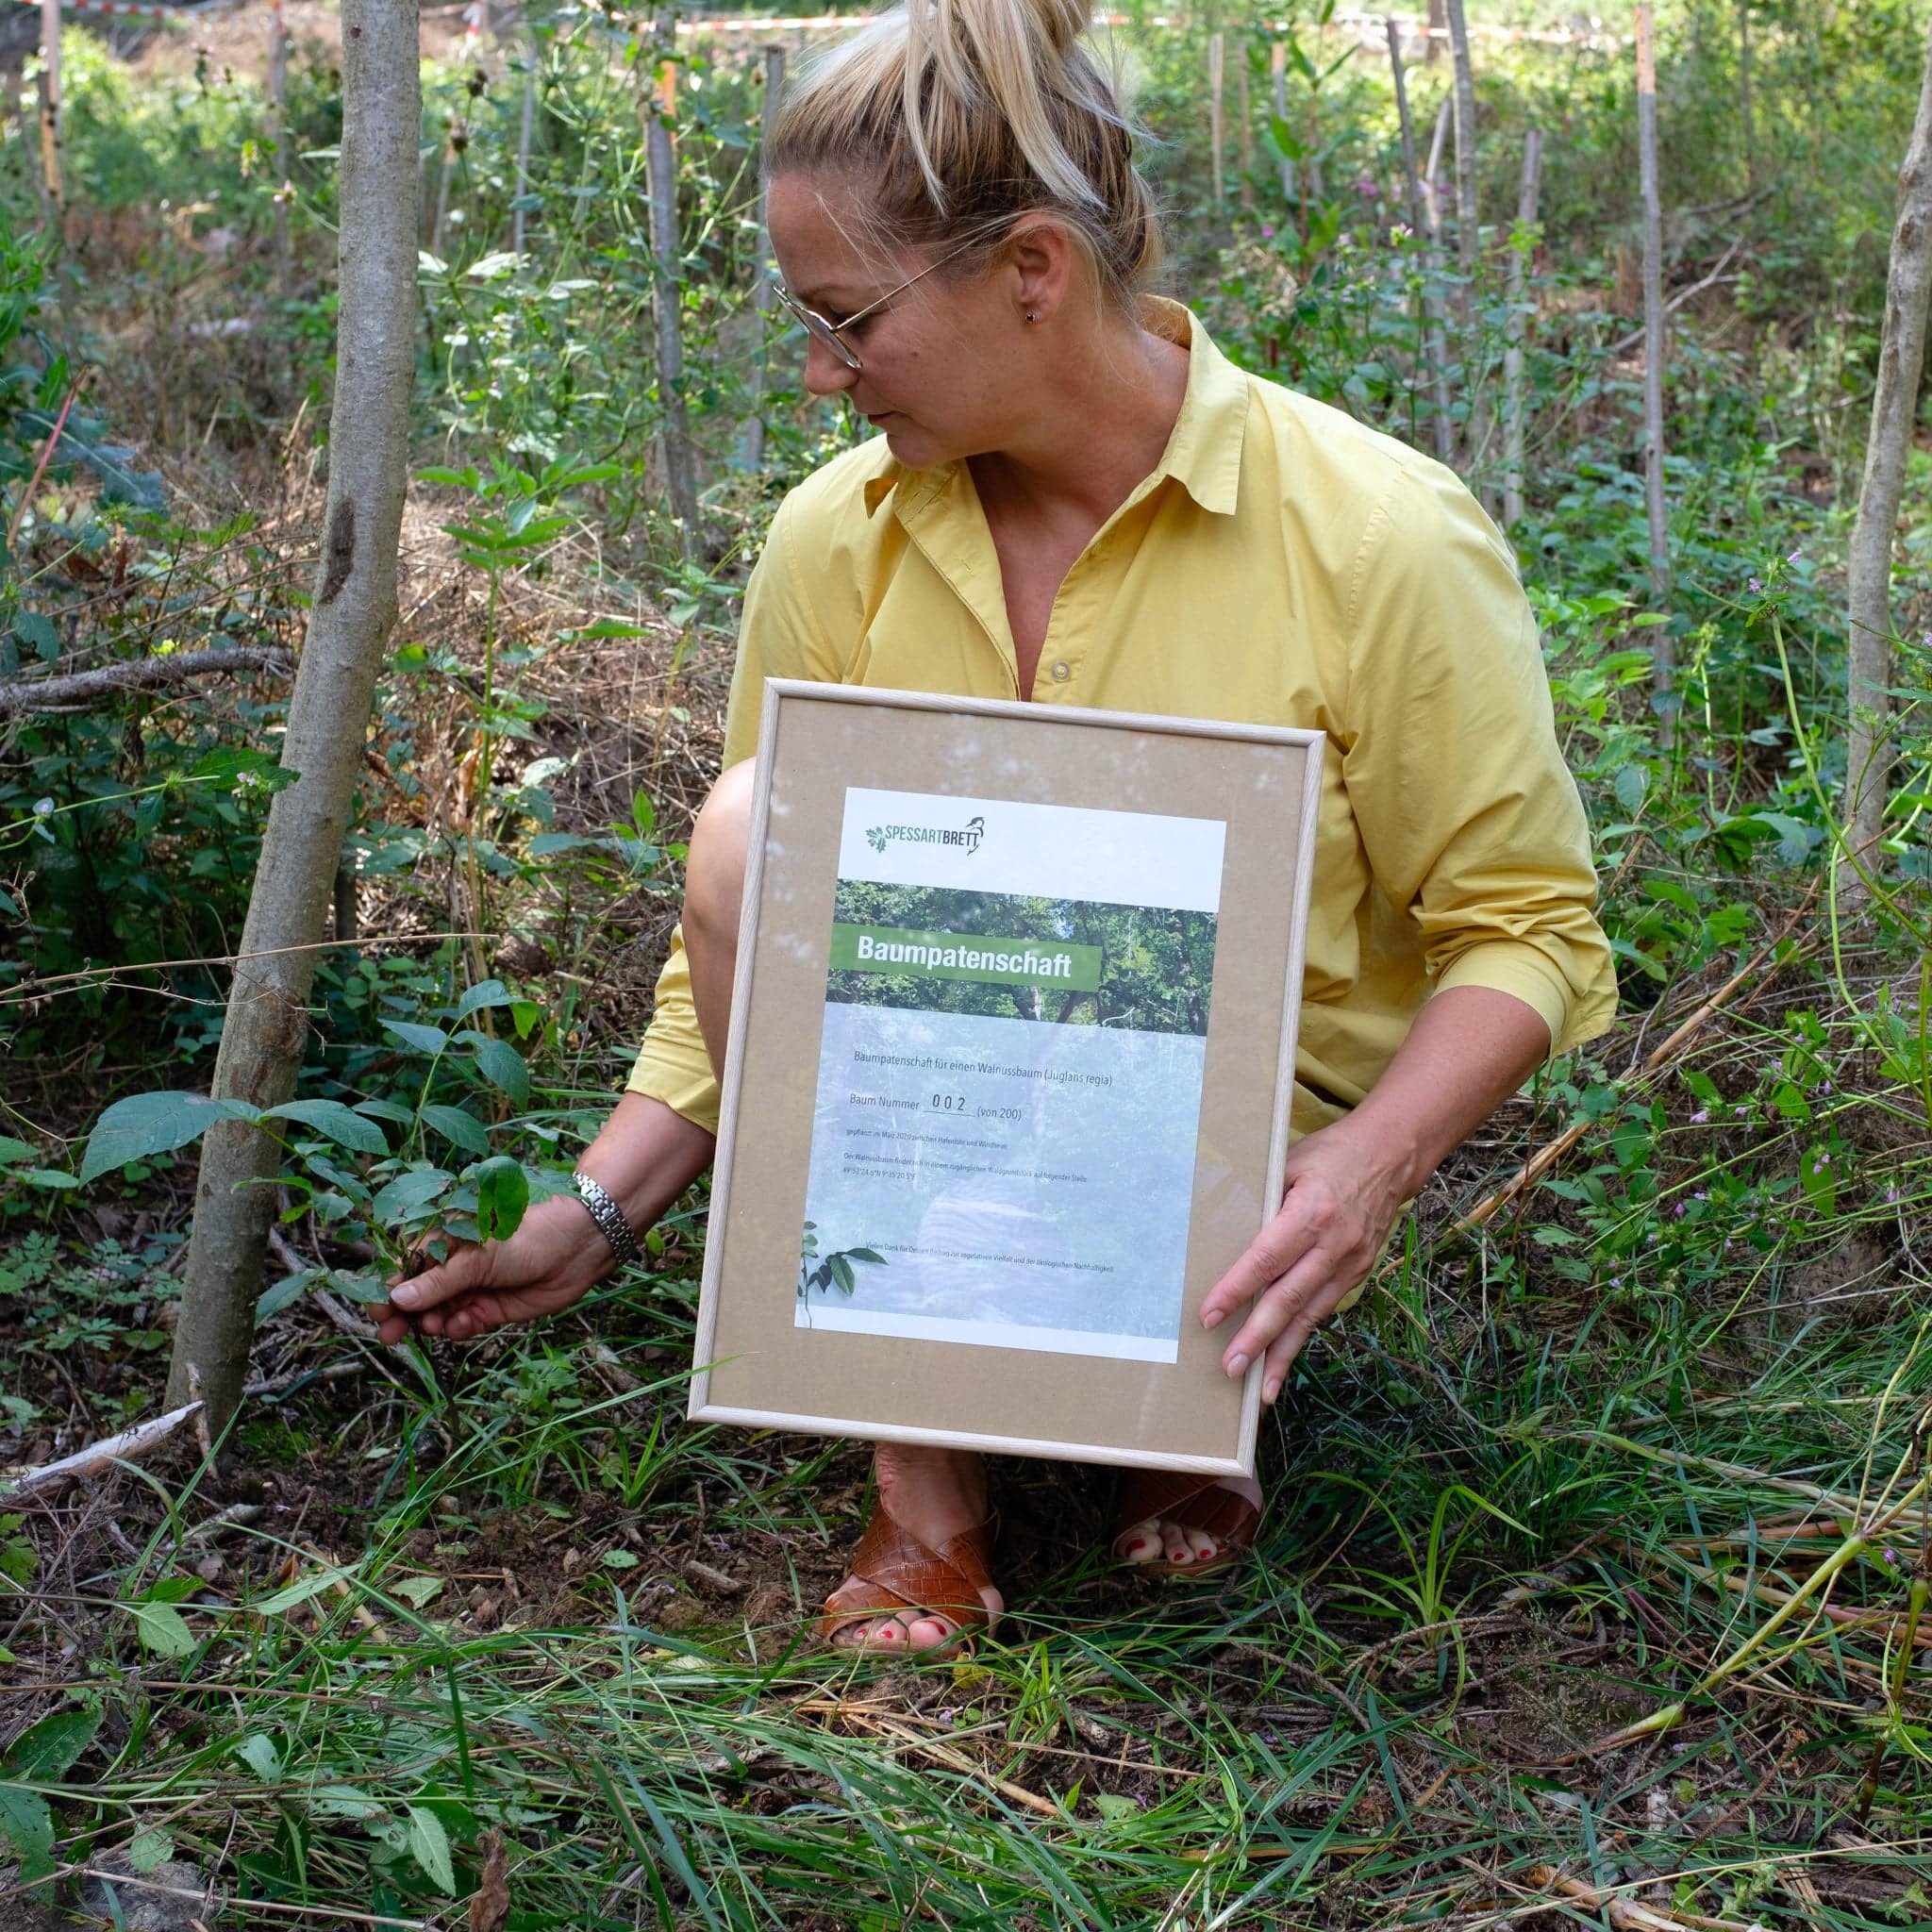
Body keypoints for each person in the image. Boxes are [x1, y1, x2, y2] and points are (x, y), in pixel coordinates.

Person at [375, 0, 1617, 1656]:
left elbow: (1529, 929)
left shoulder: (1374, 536)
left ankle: (1182, 1400)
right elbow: (749, 933)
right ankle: (927, 1478)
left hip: (1236, 1167)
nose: (822, 371)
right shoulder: (839, 537)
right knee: (757, 824)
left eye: (848, 320)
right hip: (938, 1126)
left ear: (1032, 268)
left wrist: (1367, 1170)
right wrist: (595, 1211)